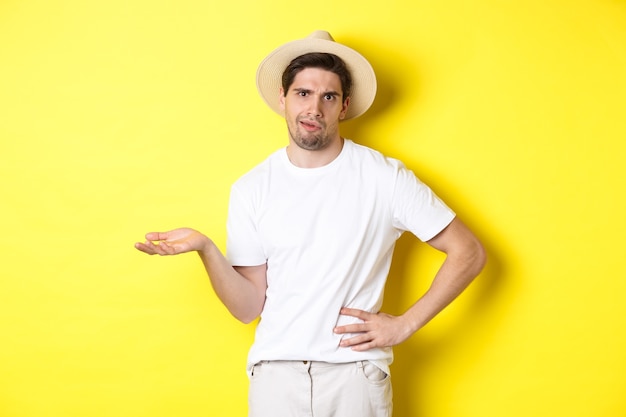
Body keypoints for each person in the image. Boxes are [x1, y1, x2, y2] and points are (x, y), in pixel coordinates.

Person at [135, 30, 486, 417]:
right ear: (283, 99)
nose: (314, 107)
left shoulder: (384, 178)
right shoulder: (252, 188)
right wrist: (205, 248)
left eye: (328, 96)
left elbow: (468, 251)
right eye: (303, 93)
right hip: (276, 378)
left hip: (354, 376)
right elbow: (248, 306)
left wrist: (404, 325)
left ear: (344, 106)